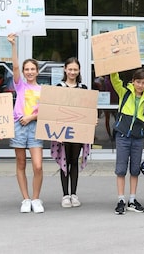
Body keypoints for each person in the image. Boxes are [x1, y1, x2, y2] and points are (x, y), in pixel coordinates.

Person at [7, 33, 45, 213]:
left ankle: (36, 198)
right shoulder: (20, 86)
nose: (29, 72)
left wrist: (31, 117)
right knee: (21, 163)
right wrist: (13, 45)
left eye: (32, 69)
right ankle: (26, 199)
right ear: (23, 72)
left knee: (38, 165)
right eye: (26, 69)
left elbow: (45, 112)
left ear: (38, 71)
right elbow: (14, 66)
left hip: (35, 126)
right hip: (19, 127)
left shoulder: (42, 90)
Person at [110, 68, 144, 215]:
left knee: (135, 170)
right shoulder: (125, 92)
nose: (140, 85)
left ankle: (132, 200)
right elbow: (115, 79)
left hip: (138, 138)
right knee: (121, 169)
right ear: (133, 81)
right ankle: (121, 199)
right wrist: (113, 67)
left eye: (143, 83)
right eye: (138, 82)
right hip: (122, 136)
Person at [50, 57, 90, 208]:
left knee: (74, 161)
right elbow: (54, 110)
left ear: (79, 71)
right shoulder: (58, 88)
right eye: (70, 69)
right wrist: (56, 131)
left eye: (75, 69)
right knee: (64, 162)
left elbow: (87, 109)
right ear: (65, 69)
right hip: (62, 131)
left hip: (78, 131)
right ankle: (65, 195)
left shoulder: (83, 88)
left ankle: (74, 193)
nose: (72, 72)